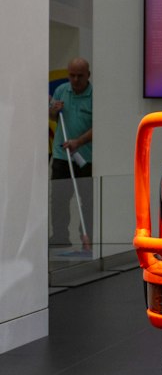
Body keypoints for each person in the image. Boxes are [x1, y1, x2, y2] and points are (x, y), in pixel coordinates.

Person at [50, 57, 93, 250]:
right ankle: (60, 238)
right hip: (62, 155)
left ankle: (88, 238)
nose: (75, 80)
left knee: (88, 201)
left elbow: (98, 127)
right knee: (59, 199)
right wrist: (53, 110)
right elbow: (52, 115)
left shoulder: (94, 96)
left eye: (80, 76)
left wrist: (79, 142)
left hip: (86, 158)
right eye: (72, 75)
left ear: (88, 75)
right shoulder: (61, 91)